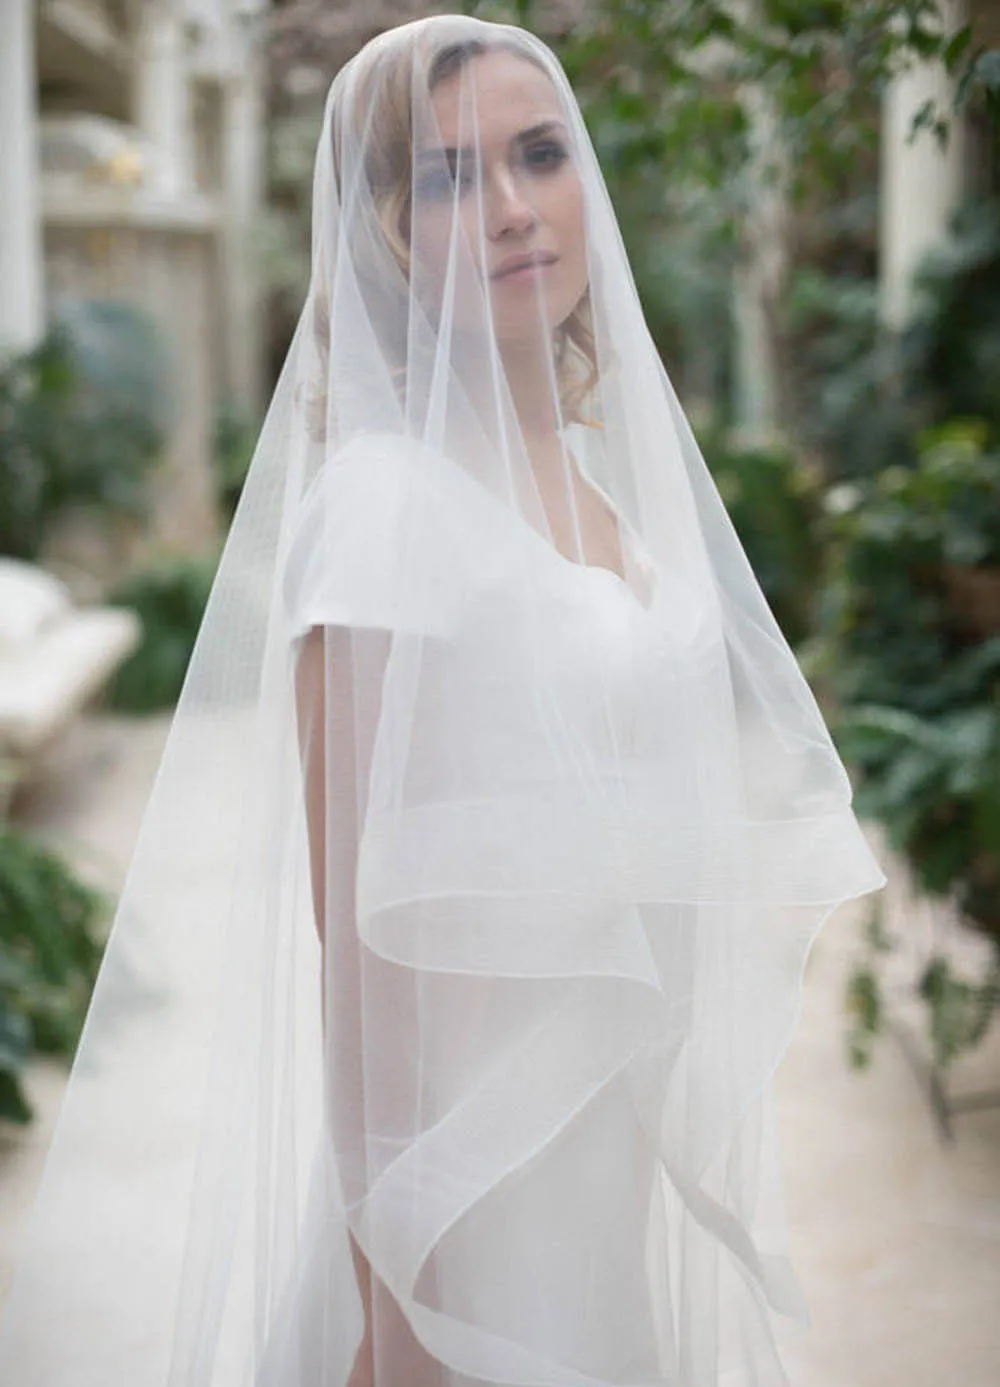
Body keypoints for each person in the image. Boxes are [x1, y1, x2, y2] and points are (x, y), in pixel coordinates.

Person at [0, 14, 887, 1387]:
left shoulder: (591, 475)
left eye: (540, 154)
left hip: (594, 1140)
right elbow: (355, 953)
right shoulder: (382, 510)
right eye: (451, 175)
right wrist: (395, 1295)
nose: (517, 207)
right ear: (387, 230)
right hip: (466, 1180)